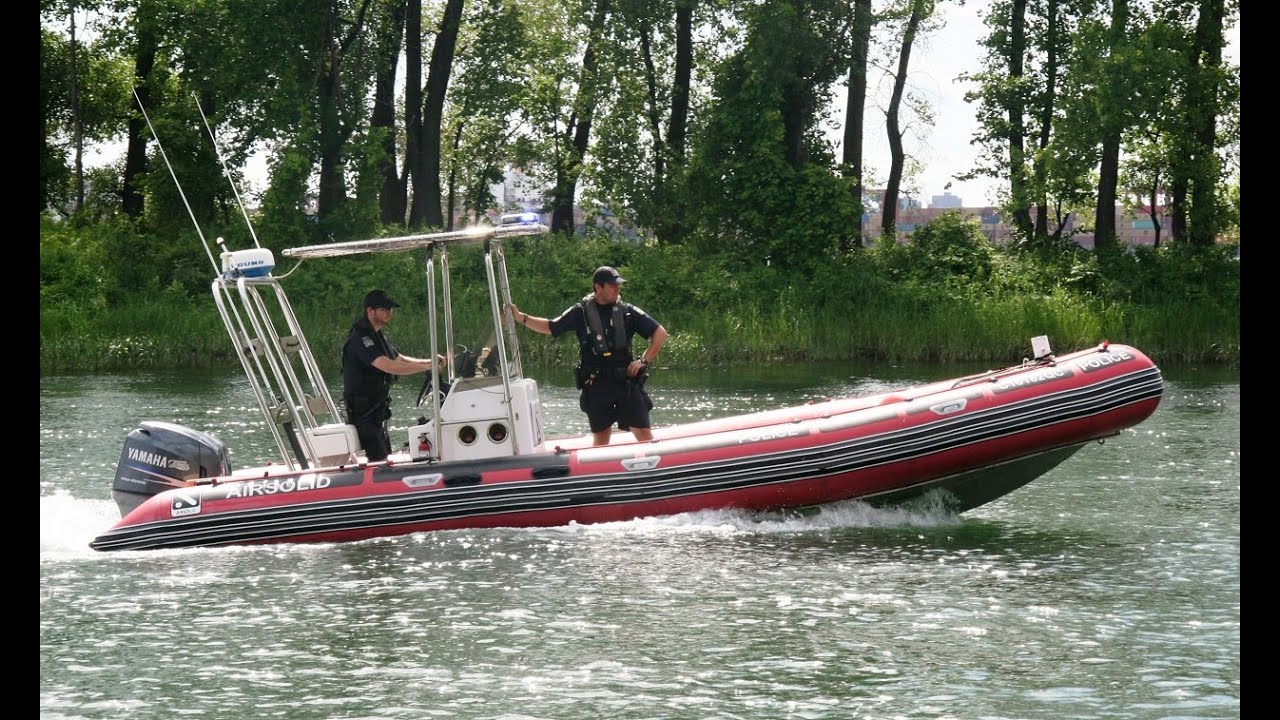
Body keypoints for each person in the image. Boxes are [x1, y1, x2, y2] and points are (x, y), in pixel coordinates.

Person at [509, 266, 668, 446]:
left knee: (644, 433)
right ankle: (599, 471)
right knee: (601, 439)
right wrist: (520, 317)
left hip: (626, 383)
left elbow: (660, 333)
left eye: (618, 285)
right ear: (597, 287)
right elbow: (551, 327)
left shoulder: (627, 311)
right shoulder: (580, 312)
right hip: (597, 384)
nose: (617, 289)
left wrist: (643, 360)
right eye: (612, 285)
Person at [341, 289, 442, 462]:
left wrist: (430, 361)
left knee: (385, 458)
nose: (389, 312)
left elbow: (398, 358)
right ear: (370, 311)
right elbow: (387, 365)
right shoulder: (361, 338)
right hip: (364, 415)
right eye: (384, 308)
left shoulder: (378, 335)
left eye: (391, 309)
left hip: (377, 413)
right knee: (379, 463)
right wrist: (426, 367)